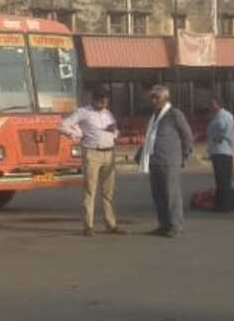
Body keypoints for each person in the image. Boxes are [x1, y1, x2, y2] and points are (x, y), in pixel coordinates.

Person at [57, 85, 124, 236]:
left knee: (108, 192)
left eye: (106, 101)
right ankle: (88, 226)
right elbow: (62, 125)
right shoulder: (83, 112)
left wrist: (114, 133)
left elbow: (115, 130)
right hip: (92, 153)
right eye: (101, 101)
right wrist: (76, 134)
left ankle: (111, 224)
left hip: (109, 152)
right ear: (94, 100)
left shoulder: (108, 113)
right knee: (90, 190)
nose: (104, 104)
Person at [137, 84, 194, 238]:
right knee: (159, 196)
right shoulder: (155, 115)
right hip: (154, 161)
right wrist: (141, 155)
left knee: (172, 196)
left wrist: (183, 156)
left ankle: (176, 225)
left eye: (157, 97)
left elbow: (187, 136)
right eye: (152, 97)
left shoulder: (174, 114)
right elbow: (150, 138)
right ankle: (164, 224)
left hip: (169, 161)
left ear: (166, 98)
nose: (153, 100)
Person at [205, 97, 234, 213]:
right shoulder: (221, 115)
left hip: (221, 151)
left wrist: (217, 137)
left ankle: (224, 205)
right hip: (222, 151)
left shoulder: (223, 116)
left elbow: (222, 128)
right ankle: (221, 203)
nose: (210, 107)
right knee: (223, 179)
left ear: (218, 104)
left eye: (212, 104)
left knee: (223, 179)